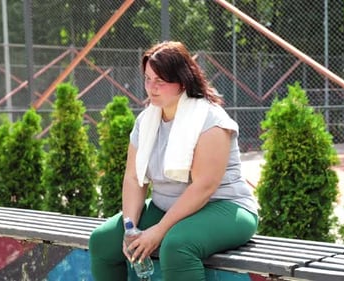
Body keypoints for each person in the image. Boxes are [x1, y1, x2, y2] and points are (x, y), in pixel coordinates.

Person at [89, 41, 259, 281]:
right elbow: (134, 177)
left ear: (183, 81)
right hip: (165, 206)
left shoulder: (211, 120)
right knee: (103, 240)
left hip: (223, 206)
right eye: (148, 79)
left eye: (161, 81)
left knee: (176, 246)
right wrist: (130, 228)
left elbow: (204, 187)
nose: (151, 88)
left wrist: (158, 230)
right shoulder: (145, 121)